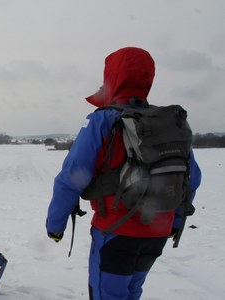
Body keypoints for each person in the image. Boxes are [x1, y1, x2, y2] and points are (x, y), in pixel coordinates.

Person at [45, 47, 202, 299]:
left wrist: (55, 224)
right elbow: (191, 178)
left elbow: (72, 175)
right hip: (157, 234)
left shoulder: (103, 120)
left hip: (116, 232)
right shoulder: (169, 123)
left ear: (112, 76)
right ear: (147, 77)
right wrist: (174, 222)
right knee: (132, 291)